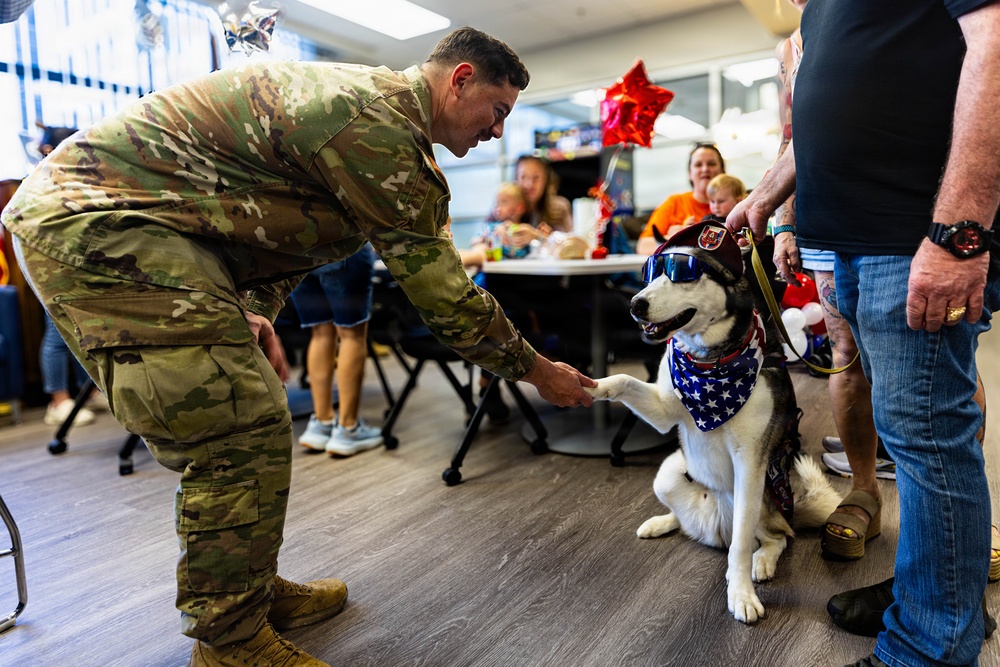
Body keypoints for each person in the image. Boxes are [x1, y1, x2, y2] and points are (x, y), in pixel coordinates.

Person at [2, 27, 595, 667]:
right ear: (460, 79)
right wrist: (538, 371)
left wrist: (256, 309)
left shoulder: (372, 116)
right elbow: (447, 297)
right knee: (235, 427)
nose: (498, 131)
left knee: (252, 412)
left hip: (140, 227)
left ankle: (246, 589)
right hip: (95, 223)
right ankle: (231, 642)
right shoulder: (380, 130)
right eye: (497, 111)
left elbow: (279, 228)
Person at [725, 2, 1000, 665]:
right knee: (909, 434)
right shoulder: (820, 11)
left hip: (909, 233)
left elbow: (994, 45)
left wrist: (959, 231)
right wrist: (765, 198)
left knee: (927, 435)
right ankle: (931, 595)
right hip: (849, 242)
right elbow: (822, 121)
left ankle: (931, 646)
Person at [768, 0, 883, 564]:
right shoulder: (789, 48)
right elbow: (792, 136)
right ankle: (865, 489)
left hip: (901, 211)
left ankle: (967, 507)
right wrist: (783, 223)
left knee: (941, 359)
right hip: (823, 219)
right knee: (845, 354)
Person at [291, 244, 383, 457]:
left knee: (320, 334)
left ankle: (322, 423)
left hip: (297, 253)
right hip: (342, 247)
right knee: (352, 335)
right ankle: (348, 429)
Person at [636, 143, 725, 254]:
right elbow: (643, 246)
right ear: (690, 173)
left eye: (711, 164)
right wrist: (674, 238)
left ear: (722, 170)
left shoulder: (735, 204)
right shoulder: (674, 203)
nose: (705, 169)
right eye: (698, 165)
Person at [488, 154, 573, 248]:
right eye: (523, 177)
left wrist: (539, 237)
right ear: (516, 179)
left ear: (546, 180)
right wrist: (496, 233)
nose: (529, 185)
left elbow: (572, 244)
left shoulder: (559, 208)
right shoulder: (502, 206)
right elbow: (481, 238)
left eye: (536, 177)